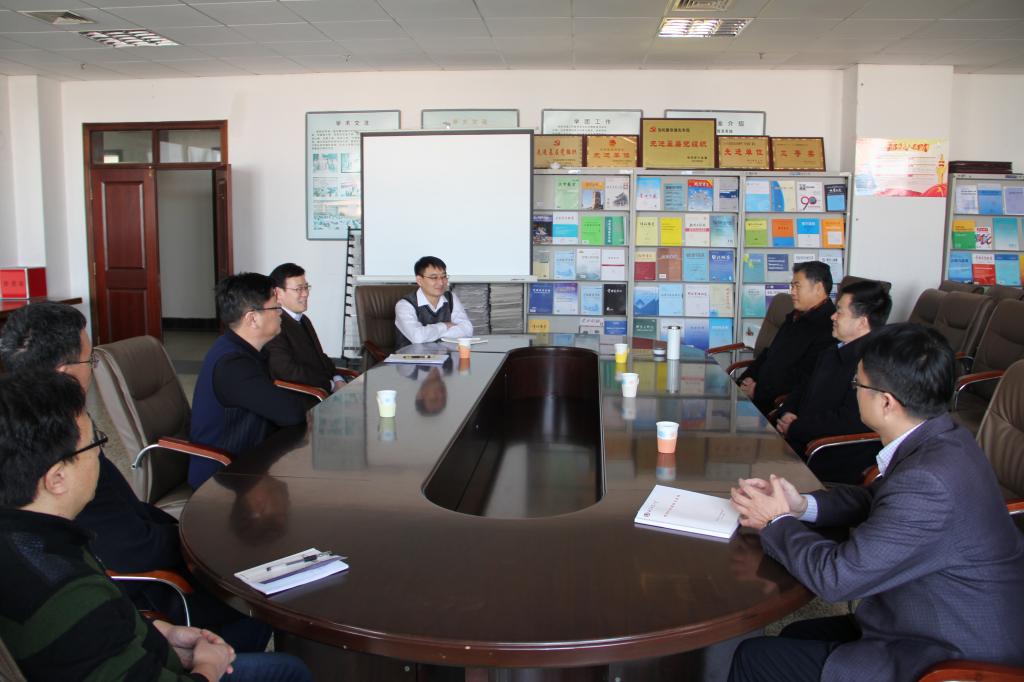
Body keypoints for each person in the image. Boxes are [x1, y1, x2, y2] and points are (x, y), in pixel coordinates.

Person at [729, 324, 1024, 682]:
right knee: (794, 635)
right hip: (922, 615)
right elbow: (878, 498)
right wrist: (800, 505)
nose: (854, 391)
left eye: (857, 384)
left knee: (754, 658)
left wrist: (776, 521)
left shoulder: (928, 481)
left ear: (886, 402)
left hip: (948, 654)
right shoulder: (944, 437)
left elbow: (836, 578)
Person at [0, 370, 313, 681]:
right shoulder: (67, 590)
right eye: (94, 443)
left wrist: (163, 634)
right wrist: (209, 666)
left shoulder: (35, 540)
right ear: (57, 478)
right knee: (289, 670)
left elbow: (103, 636)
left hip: (152, 649)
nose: (99, 454)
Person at [0, 301, 272, 653]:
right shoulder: (63, 450)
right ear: (65, 374)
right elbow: (128, 547)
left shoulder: (31, 421)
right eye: (90, 361)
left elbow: (124, 509)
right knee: (259, 603)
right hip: (147, 594)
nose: (92, 370)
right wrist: (199, 538)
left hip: (140, 540)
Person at [189, 273, 307, 489]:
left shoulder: (240, 348)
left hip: (249, 459)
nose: (281, 313)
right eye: (275, 307)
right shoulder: (233, 365)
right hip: (222, 475)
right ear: (252, 318)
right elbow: (291, 413)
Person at [775, 280, 892, 483]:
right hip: (799, 439)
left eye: (839, 312)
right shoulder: (834, 350)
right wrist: (787, 411)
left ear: (862, 322)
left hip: (827, 454)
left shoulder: (873, 365)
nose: (833, 316)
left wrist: (796, 427)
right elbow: (804, 386)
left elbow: (848, 421)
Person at [738, 260, 836, 415]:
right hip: (756, 392)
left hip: (776, 406)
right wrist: (746, 378)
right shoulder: (795, 316)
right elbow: (769, 354)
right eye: (792, 286)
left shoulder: (829, 328)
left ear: (818, 288)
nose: (792, 292)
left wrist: (757, 391)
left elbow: (802, 379)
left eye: (797, 286)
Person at [264, 262, 347, 395]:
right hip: (305, 396)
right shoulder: (274, 324)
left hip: (323, 389)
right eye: (298, 289)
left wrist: (338, 378)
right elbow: (288, 371)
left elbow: (320, 356)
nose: (305, 294)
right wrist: (331, 385)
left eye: (306, 287)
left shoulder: (303, 319)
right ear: (278, 293)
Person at [394, 256, 473, 347]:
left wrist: (431, 334)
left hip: (445, 354)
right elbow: (418, 337)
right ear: (419, 280)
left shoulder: (450, 298)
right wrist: (444, 326)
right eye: (434, 277)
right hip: (411, 356)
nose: (441, 282)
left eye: (444, 276)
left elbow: (467, 330)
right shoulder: (405, 305)